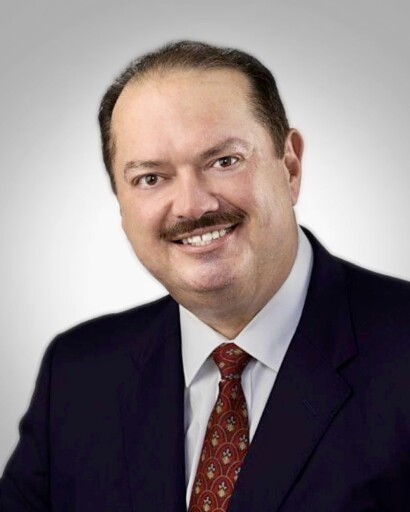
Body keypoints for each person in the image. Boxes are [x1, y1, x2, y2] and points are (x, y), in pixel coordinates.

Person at [1, 40, 410, 512]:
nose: (192, 206)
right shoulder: (77, 375)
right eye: (151, 178)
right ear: (121, 204)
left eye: (223, 161)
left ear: (290, 167)